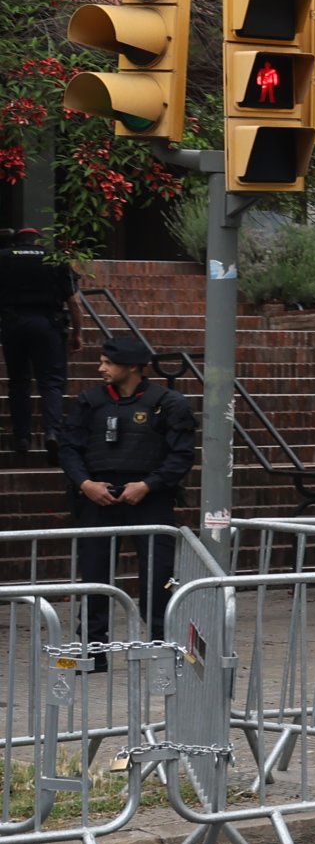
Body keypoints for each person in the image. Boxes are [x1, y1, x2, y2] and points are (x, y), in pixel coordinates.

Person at [57, 330, 194, 641]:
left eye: (108, 362)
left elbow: (182, 455)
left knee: (159, 578)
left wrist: (148, 485)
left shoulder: (169, 404)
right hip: (98, 499)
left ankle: (163, 645)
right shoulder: (89, 402)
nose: (101, 368)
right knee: (94, 577)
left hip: (150, 500)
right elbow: (69, 448)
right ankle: (93, 648)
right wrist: (85, 484)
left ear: (133, 366)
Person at [0, 228, 70, 457]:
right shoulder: (54, 259)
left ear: (16, 241)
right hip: (48, 324)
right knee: (51, 382)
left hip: (14, 323)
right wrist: (77, 333)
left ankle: (21, 437)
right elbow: (74, 301)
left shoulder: (4, 257)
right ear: (39, 241)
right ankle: (52, 432)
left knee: (19, 381)